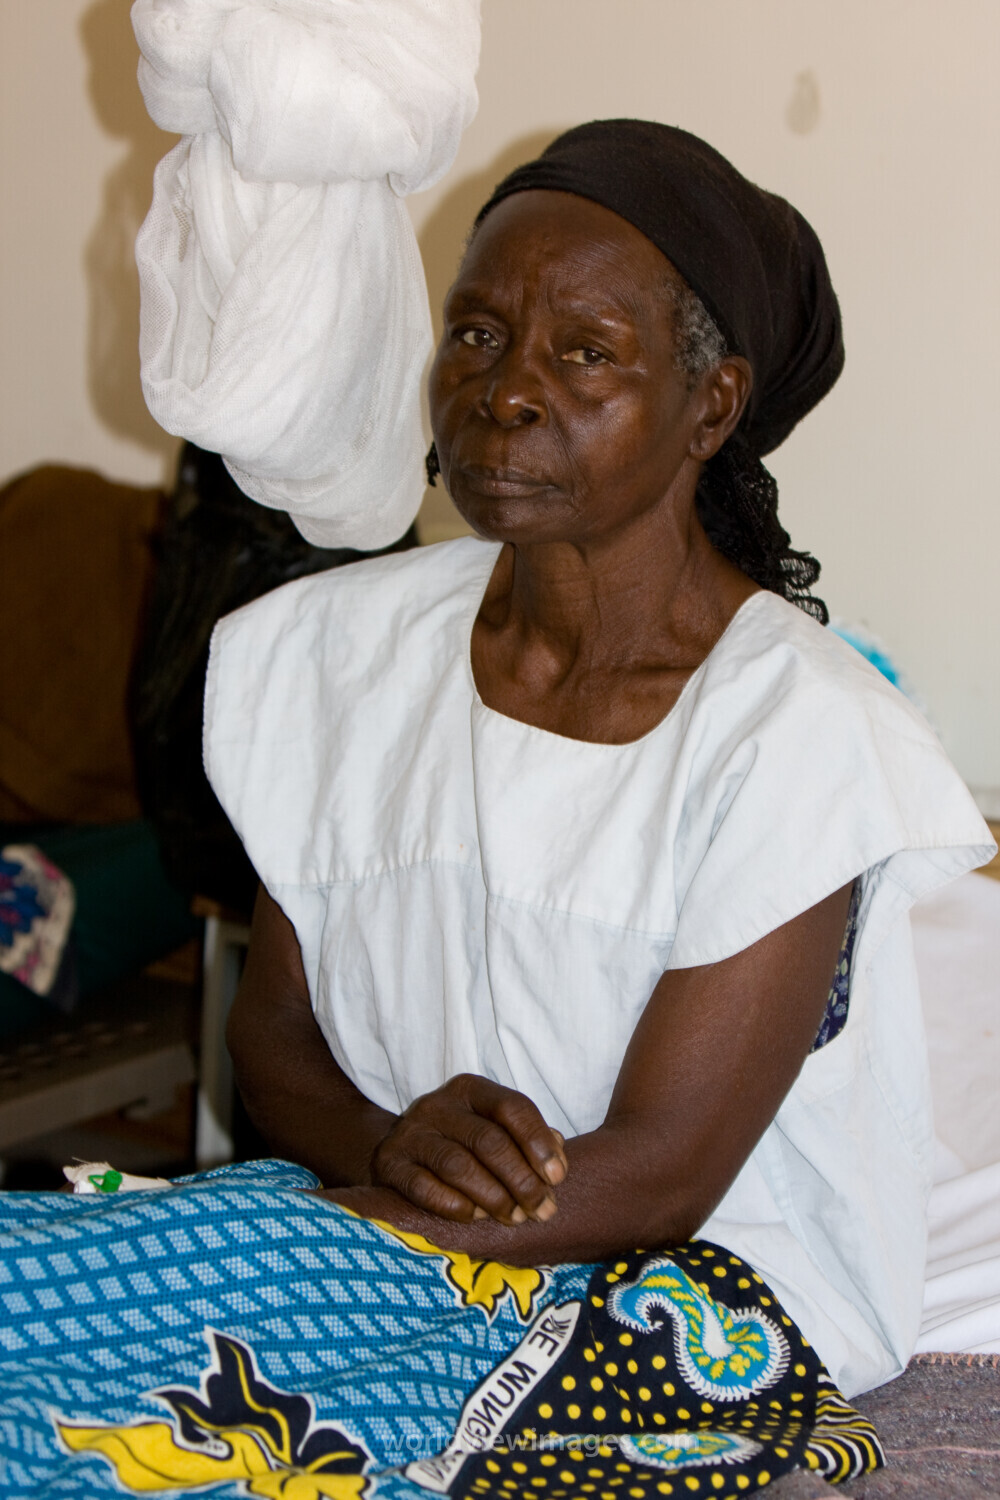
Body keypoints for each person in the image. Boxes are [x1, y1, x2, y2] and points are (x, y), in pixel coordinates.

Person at [0, 121, 992, 1499]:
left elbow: (656, 1178)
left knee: (134, 1430)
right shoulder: (332, 658)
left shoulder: (801, 736)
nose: (505, 392)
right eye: (475, 336)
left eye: (584, 353)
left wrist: (326, 1237)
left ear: (711, 409)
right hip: (379, 1220)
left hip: (686, 1298)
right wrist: (381, 1143)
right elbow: (274, 1044)